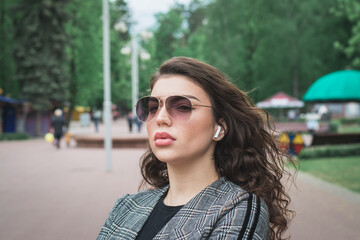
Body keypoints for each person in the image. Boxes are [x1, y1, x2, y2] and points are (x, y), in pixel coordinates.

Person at [97, 57, 296, 240]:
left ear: (220, 127)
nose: (161, 118)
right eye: (152, 108)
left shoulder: (239, 209)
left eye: (183, 107)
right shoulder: (126, 206)